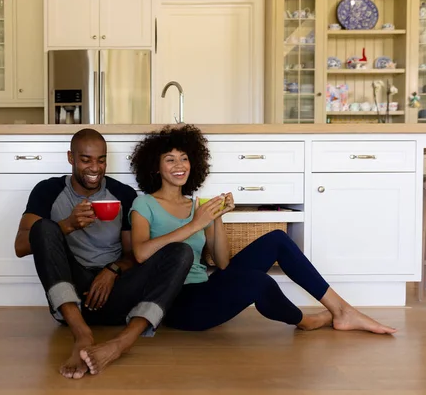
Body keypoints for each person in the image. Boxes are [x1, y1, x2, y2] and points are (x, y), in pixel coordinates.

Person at [128, 124, 397, 335]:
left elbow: (222, 263)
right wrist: (195, 224)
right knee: (259, 283)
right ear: (156, 166)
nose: (179, 166)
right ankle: (305, 321)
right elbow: (140, 254)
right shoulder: (145, 204)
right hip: (176, 305)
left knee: (278, 239)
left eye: (184, 159)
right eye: (170, 160)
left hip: (205, 289)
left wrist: (217, 217)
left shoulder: (197, 205)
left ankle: (342, 310)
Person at [14, 128, 194, 379]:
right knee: (43, 227)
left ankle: (122, 342)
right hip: (72, 295)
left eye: (101, 160)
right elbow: (21, 245)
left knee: (181, 252)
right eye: (86, 159)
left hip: (116, 294)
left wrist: (113, 270)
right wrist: (68, 225)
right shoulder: (48, 190)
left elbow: (135, 255)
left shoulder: (123, 194)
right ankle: (82, 334)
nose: (95, 168)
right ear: (71, 158)